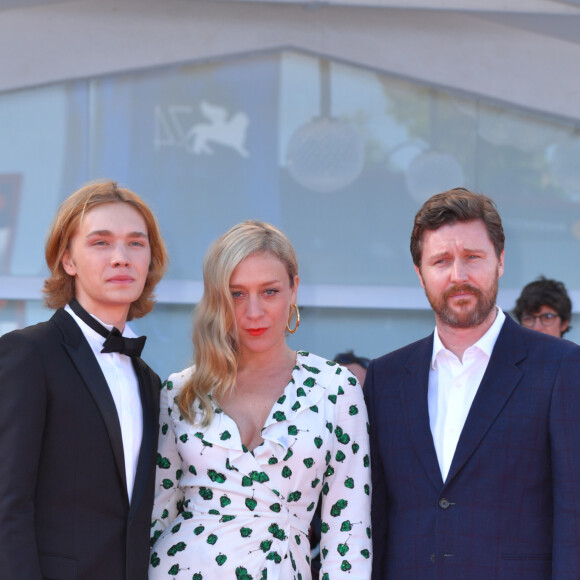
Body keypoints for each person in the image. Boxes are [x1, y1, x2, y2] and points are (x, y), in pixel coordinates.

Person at [364, 187, 580, 579]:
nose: (458, 276)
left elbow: (574, 516)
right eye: (441, 261)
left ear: (500, 261)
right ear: (419, 273)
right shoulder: (385, 379)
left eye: (473, 258)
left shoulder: (562, 368)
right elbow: (376, 515)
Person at [150, 220, 372, 579]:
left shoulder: (335, 388)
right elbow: (156, 515)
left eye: (269, 291)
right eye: (237, 294)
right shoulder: (181, 391)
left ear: (294, 289)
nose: (254, 312)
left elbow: (349, 530)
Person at [0, 180, 169, 579]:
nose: (121, 258)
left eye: (135, 243)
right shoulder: (28, 354)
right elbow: (7, 505)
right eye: (100, 243)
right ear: (67, 260)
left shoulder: (150, 380)